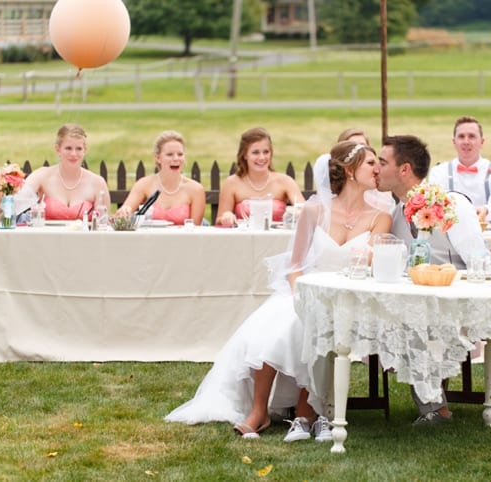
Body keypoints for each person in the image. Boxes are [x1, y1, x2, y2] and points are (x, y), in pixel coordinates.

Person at [165, 140, 392, 443]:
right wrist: (301, 295)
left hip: (347, 296)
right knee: (280, 322)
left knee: (308, 322)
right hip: (305, 290)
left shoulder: (381, 216)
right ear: (350, 171)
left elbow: (373, 265)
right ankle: (259, 412)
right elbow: (295, 265)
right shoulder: (314, 210)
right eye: (370, 163)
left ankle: (306, 410)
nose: (378, 168)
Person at [375, 134, 491, 434]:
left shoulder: (450, 204)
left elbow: (479, 260)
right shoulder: (396, 216)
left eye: (382, 162)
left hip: (473, 298)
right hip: (427, 304)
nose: (376, 168)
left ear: (404, 169)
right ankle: (434, 408)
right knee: (404, 321)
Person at [18, 124, 110, 221]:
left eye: (78, 149)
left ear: (85, 150)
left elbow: (104, 226)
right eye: (68, 148)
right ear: (58, 149)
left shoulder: (98, 183)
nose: (73, 154)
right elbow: (17, 201)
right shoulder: (42, 176)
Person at [215, 127, 305, 227]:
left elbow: (305, 211)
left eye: (266, 152)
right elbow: (219, 220)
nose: (262, 158)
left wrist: (297, 213)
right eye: (255, 152)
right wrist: (226, 217)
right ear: (245, 155)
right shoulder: (232, 183)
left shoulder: (285, 181)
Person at [428, 116, 491, 222]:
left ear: (482, 142)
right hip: (451, 233)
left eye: (472, 136)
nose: (466, 141)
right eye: (461, 136)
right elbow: (436, 205)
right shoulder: (439, 172)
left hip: (488, 233)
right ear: (454, 142)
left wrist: (486, 210)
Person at [116, 131, 205, 226]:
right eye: (169, 154)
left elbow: (196, 230)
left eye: (180, 154)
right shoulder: (144, 184)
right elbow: (121, 217)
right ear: (158, 158)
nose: (176, 159)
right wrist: (125, 211)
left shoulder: (195, 189)